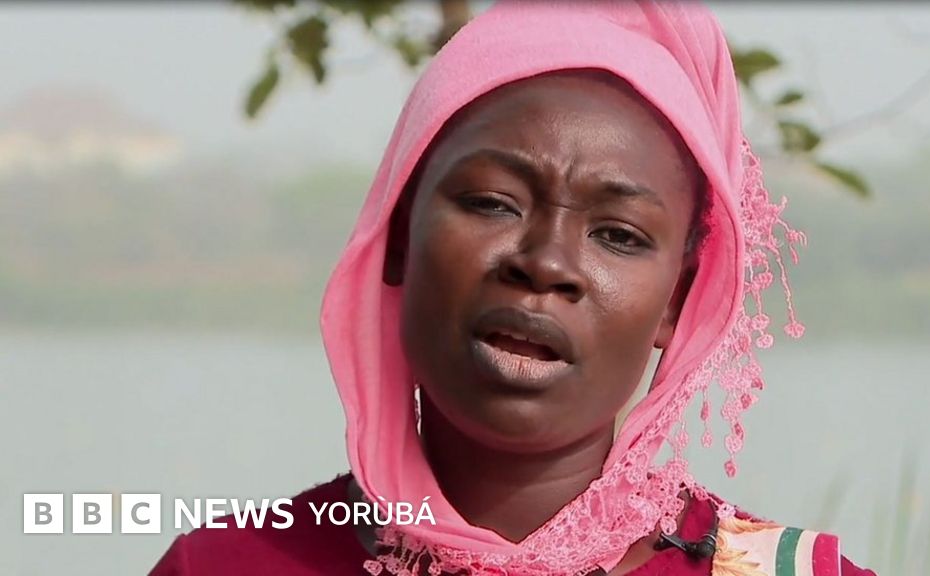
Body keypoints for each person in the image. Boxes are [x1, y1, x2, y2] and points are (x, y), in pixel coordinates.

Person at [151, 1, 875, 575]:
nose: (546, 263)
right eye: (494, 203)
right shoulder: (226, 566)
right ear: (398, 234)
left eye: (619, 235)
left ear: (677, 303)